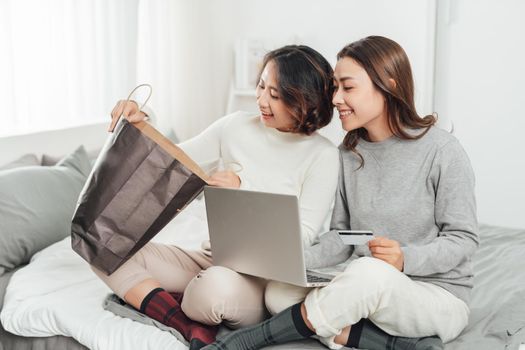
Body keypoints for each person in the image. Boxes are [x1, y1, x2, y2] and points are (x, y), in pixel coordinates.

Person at [202, 35, 478, 350]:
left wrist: (405, 259)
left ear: (388, 86)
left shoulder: (442, 150)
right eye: (335, 88)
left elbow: (463, 240)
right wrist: (292, 261)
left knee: (370, 273)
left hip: (434, 296)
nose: (335, 99)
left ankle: (243, 342)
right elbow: (344, 235)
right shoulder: (349, 153)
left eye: (347, 88)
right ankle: (393, 344)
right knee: (279, 292)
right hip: (364, 287)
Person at [91, 45, 340, 349]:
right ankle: (182, 324)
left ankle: (158, 299)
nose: (261, 100)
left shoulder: (322, 156)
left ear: (304, 99)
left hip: (259, 278)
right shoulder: (234, 126)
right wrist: (142, 116)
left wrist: (242, 196)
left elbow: (303, 238)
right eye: (261, 86)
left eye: (275, 95)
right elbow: (173, 159)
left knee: (211, 293)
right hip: (210, 258)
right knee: (100, 246)